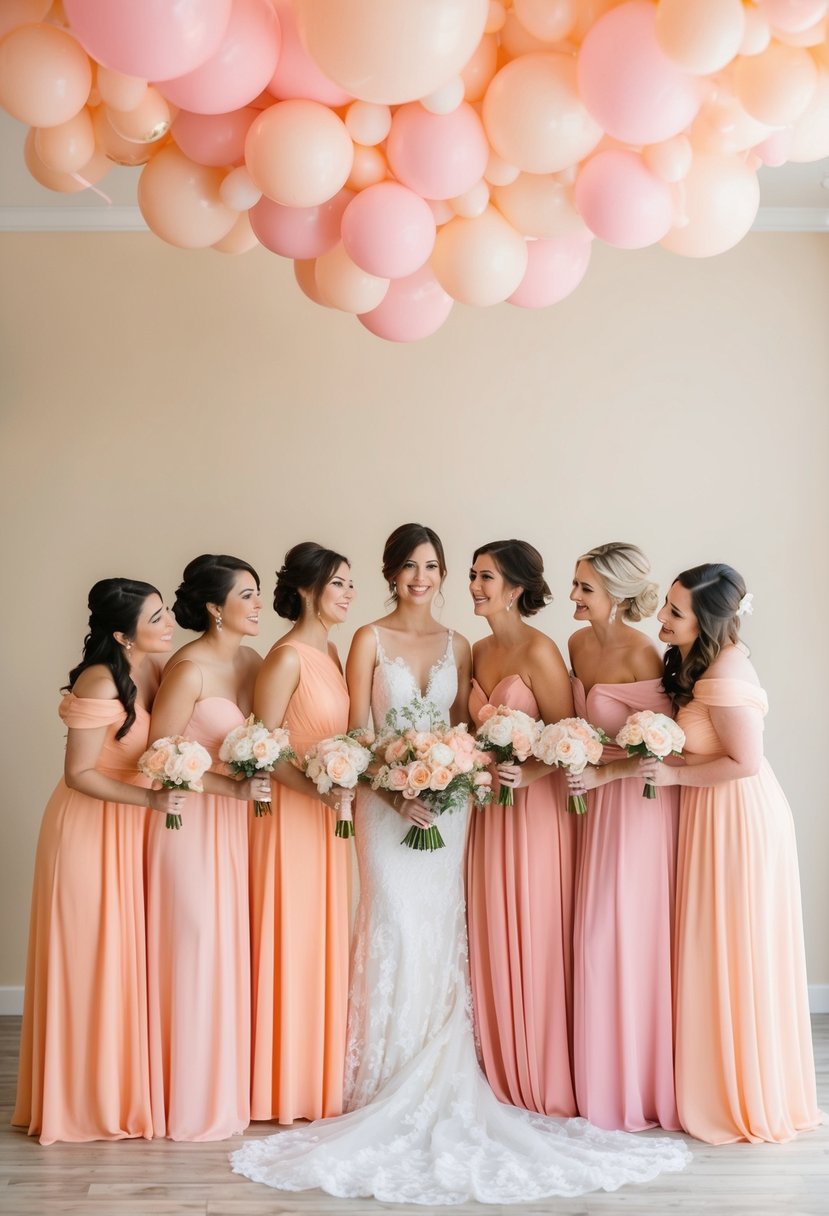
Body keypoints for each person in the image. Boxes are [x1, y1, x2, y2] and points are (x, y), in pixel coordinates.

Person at [231, 525, 690, 1205]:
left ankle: (442, 1064)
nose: (424, 577)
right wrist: (392, 787)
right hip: (390, 809)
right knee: (391, 921)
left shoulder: (462, 645)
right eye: (411, 567)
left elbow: (463, 732)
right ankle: (382, 1076)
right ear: (391, 574)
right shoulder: (367, 639)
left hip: (452, 805)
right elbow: (359, 730)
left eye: (434, 566)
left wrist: (444, 779)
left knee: (442, 929)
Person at [642, 563, 821, 1144]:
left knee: (731, 947)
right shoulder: (710, 662)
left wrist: (668, 778)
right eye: (666, 606)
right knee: (718, 947)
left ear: (708, 620)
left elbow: (743, 762)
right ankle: (725, 1078)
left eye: (675, 611)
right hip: (714, 812)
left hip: (736, 820)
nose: (662, 619)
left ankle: (739, 1092)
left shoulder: (721, 675)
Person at [13, 579, 180, 1143]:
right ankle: (80, 1101)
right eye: (156, 617)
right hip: (86, 830)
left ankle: (118, 1088)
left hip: (129, 829)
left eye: (165, 612)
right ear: (120, 632)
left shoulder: (155, 669)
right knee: (87, 959)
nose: (168, 622)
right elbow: (79, 774)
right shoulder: (99, 678)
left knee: (122, 961)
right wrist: (152, 800)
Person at [145, 554, 269, 1141]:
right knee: (193, 943)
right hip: (188, 826)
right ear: (216, 608)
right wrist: (230, 785)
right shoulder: (187, 668)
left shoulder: (253, 660)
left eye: (259, 592)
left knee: (226, 946)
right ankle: (184, 1097)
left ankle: (224, 1087)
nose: (259, 604)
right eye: (247, 595)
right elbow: (159, 758)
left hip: (234, 825)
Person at [566, 542, 680, 1131]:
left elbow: (655, 751)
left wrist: (600, 772)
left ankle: (635, 1087)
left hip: (636, 808)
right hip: (590, 805)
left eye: (585, 587)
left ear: (615, 591)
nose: (573, 597)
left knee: (620, 934)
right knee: (592, 935)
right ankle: (597, 1082)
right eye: (576, 584)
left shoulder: (647, 655)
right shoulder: (577, 644)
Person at [466, 539, 578, 1117]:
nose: (475, 586)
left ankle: (538, 1071)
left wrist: (524, 774)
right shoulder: (478, 652)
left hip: (534, 813)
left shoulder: (541, 651)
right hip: (488, 813)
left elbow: (568, 741)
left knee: (534, 930)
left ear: (515, 588)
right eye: (473, 575)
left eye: (486, 577)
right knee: (489, 927)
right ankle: (496, 1062)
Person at [249, 542, 354, 1125]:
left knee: (319, 937)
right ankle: (279, 1082)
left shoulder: (331, 651)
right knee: (289, 936)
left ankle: (314, 1076)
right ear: (309, 590)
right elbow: (261, 752)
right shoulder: (286, 656)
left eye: (349, 583)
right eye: (338, 583)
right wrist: (317, 788)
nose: (348, 593)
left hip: (326, 816)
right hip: (289, 818)